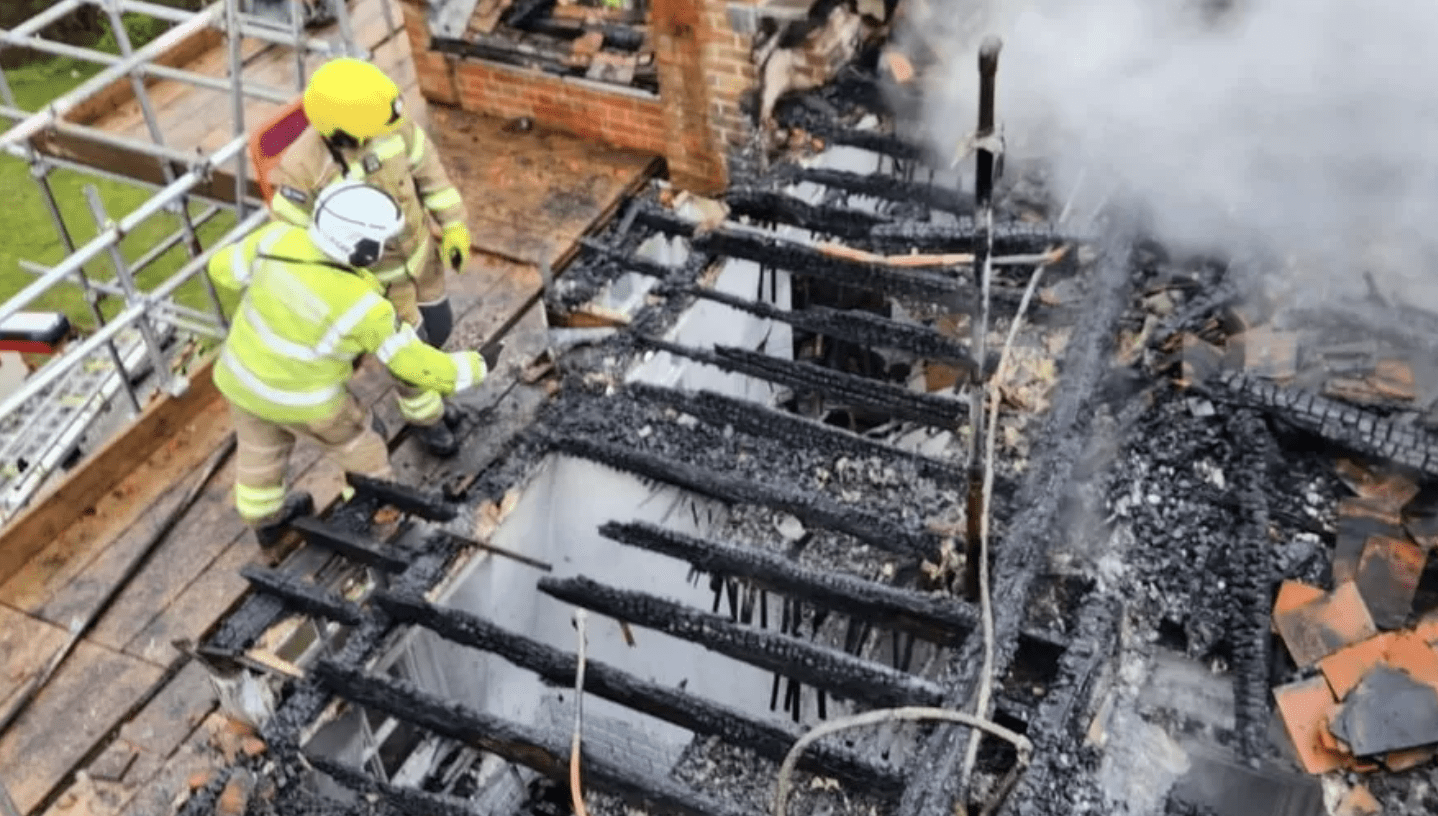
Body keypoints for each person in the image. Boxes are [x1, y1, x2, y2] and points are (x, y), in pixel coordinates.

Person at [209, 181, 492, 548]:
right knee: (360, 445)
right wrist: (474, 366)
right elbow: (414, 365)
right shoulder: (364, 307)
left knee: (259, 451)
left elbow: (221, 269)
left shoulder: (275, 240)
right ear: (361, 249)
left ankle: (266, 522)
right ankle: (371, 514)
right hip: (308, 403)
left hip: (242, 381)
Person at [267, 56, 472, 457]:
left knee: (439, 329)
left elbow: (432, 178)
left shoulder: (388, 124)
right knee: (409, 355)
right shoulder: (303, 171)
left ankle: (435, 392)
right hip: (378, 289)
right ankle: (426, 420)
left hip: (423, 264)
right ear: (341, 132)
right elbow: (291, 244)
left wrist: (454, 226)